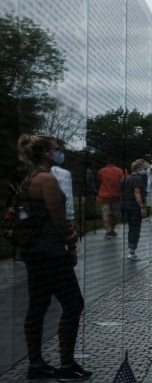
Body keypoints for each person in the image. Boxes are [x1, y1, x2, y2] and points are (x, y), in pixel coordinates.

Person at [16, 134, 90, 380]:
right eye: (56, 149)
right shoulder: (47, 179)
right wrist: (70, 238)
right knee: (73, 304)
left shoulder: (31, 178)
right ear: (47, 153)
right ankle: (66, 365)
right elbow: (58, 217)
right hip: (51, 252)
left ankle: (36, 364)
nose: (60, 153)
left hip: (34, 251)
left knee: (38, 306)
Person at [122, 159, 148, 260]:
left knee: (131, 227)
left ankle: (131, 249)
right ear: (139, 167)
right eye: (145, 167)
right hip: (134, 205)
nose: (146, 169)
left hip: (126, 203)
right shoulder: (137, 178)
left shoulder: (126, 177)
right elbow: (137, 193)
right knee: (135, 228)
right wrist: (142, 207)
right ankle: (132, 252)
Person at [96, 159, 125, 239]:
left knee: (105, 214)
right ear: (114, 163)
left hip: (104, 196)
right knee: (115, 214)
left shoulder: (101, 171)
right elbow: (122, 182)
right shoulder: (119, 171)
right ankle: (112, 230)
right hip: (116, 196)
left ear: (106, 163)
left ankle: (108, 231)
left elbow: (98, 181)